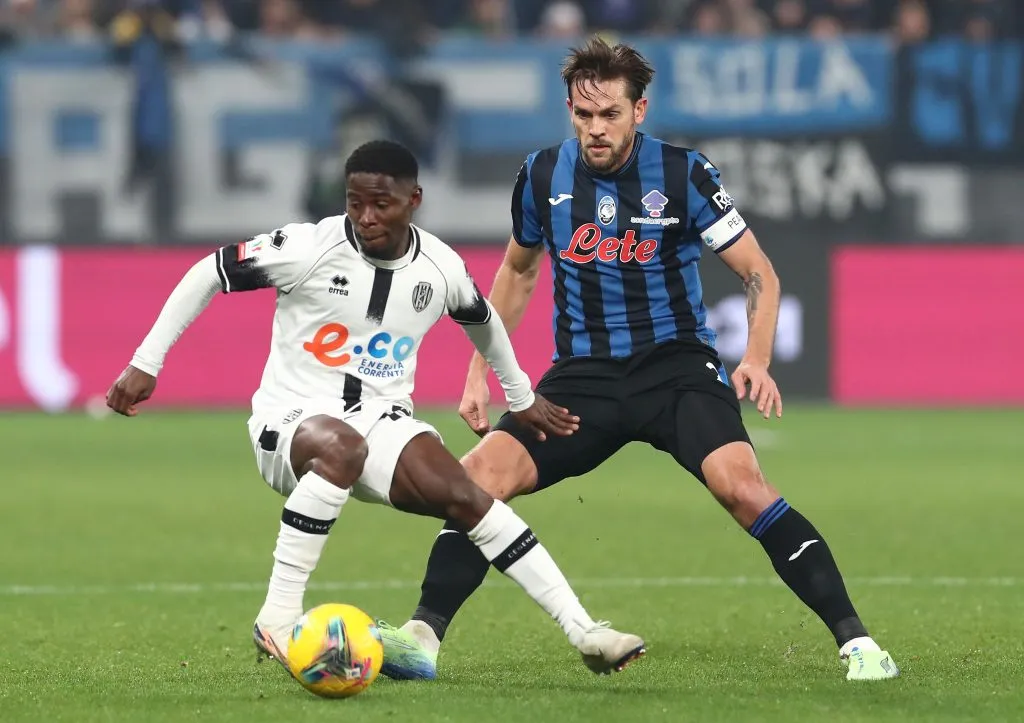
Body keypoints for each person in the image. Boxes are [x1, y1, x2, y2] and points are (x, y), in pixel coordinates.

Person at [377, 38, 900, 682]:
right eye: (583, 115)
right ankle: (421, 639)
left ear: (640, 111)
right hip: (583, 381)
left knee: (743, 488)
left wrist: (756, 358)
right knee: (475, 481)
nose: (596, 130)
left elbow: (759, 273)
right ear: (569, 109)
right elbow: (516, 274)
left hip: (675, 371)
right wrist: (479, 373)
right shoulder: (542, 175)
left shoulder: (684, 173)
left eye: (610, 115)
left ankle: (858, 644)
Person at [105, 139, 646, 677]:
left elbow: (483, 320)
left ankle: (585, 632)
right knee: (344, 447)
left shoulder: (439, 266)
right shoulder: (306, 248)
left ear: (414, 199)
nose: (365, 217)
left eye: (380, 205)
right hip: (288, 421)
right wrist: (146, 362)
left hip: (381, 422)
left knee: (466, 496)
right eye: (354, 202)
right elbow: (208, 273)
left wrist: (520, 397)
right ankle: (277, 616)